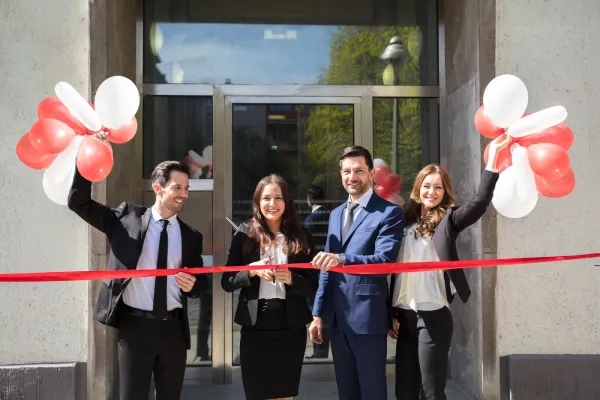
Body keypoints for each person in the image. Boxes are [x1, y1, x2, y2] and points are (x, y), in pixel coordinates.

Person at [68, 159, 207, 400]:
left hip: (173, 331)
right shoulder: (126, 219)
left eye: (187, 189)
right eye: (177, 188)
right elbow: (78, 203)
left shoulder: (191, 236)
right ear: (158, 188)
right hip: (135, 329)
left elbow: (200, 284)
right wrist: (87, 160)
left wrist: (194, 285)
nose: (184, 194)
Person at [388, 134, 511, 400]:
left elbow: (479, 204)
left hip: (433, 317)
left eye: (438, 188)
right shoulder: (402, 221)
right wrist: (393, 314)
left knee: (430, 392)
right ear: (418, 189)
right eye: (427, 186)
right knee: (404, 392)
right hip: (405, 316)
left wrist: (493, 162)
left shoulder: (449, 220)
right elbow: (395, 272)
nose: (431, 192)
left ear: (445, 193)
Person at [309, 146, 404, 400]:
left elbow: (384, 261)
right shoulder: (336, 214)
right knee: (346, 393)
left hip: (368, 319)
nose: (352, 176)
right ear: (341, 175)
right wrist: (317, 313)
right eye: (347, 171)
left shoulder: (389, 213)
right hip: (337, 320)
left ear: (371, 174)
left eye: (359, 171)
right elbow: (326, 270)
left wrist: (342, 259)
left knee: (372, 392)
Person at [221, 174, 319, 400]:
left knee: (284, 395)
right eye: (266, 198)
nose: (272, 204)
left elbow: (314, 286)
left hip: (290, 326)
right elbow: (226, 281)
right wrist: (251, 271)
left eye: (278, 198)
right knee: (256, 394)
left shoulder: (302, 235)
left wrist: (291, 279)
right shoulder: (245, 233)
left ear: (287, 202)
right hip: (255, 327)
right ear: (258, 202)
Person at [302, 184, 331, 359]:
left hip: (315, 271)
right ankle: (322, 352)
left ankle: (319, 351)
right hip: (331, 269)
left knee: (316, 312)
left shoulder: (309, 222)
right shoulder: (333, 218)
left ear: (309, 199)